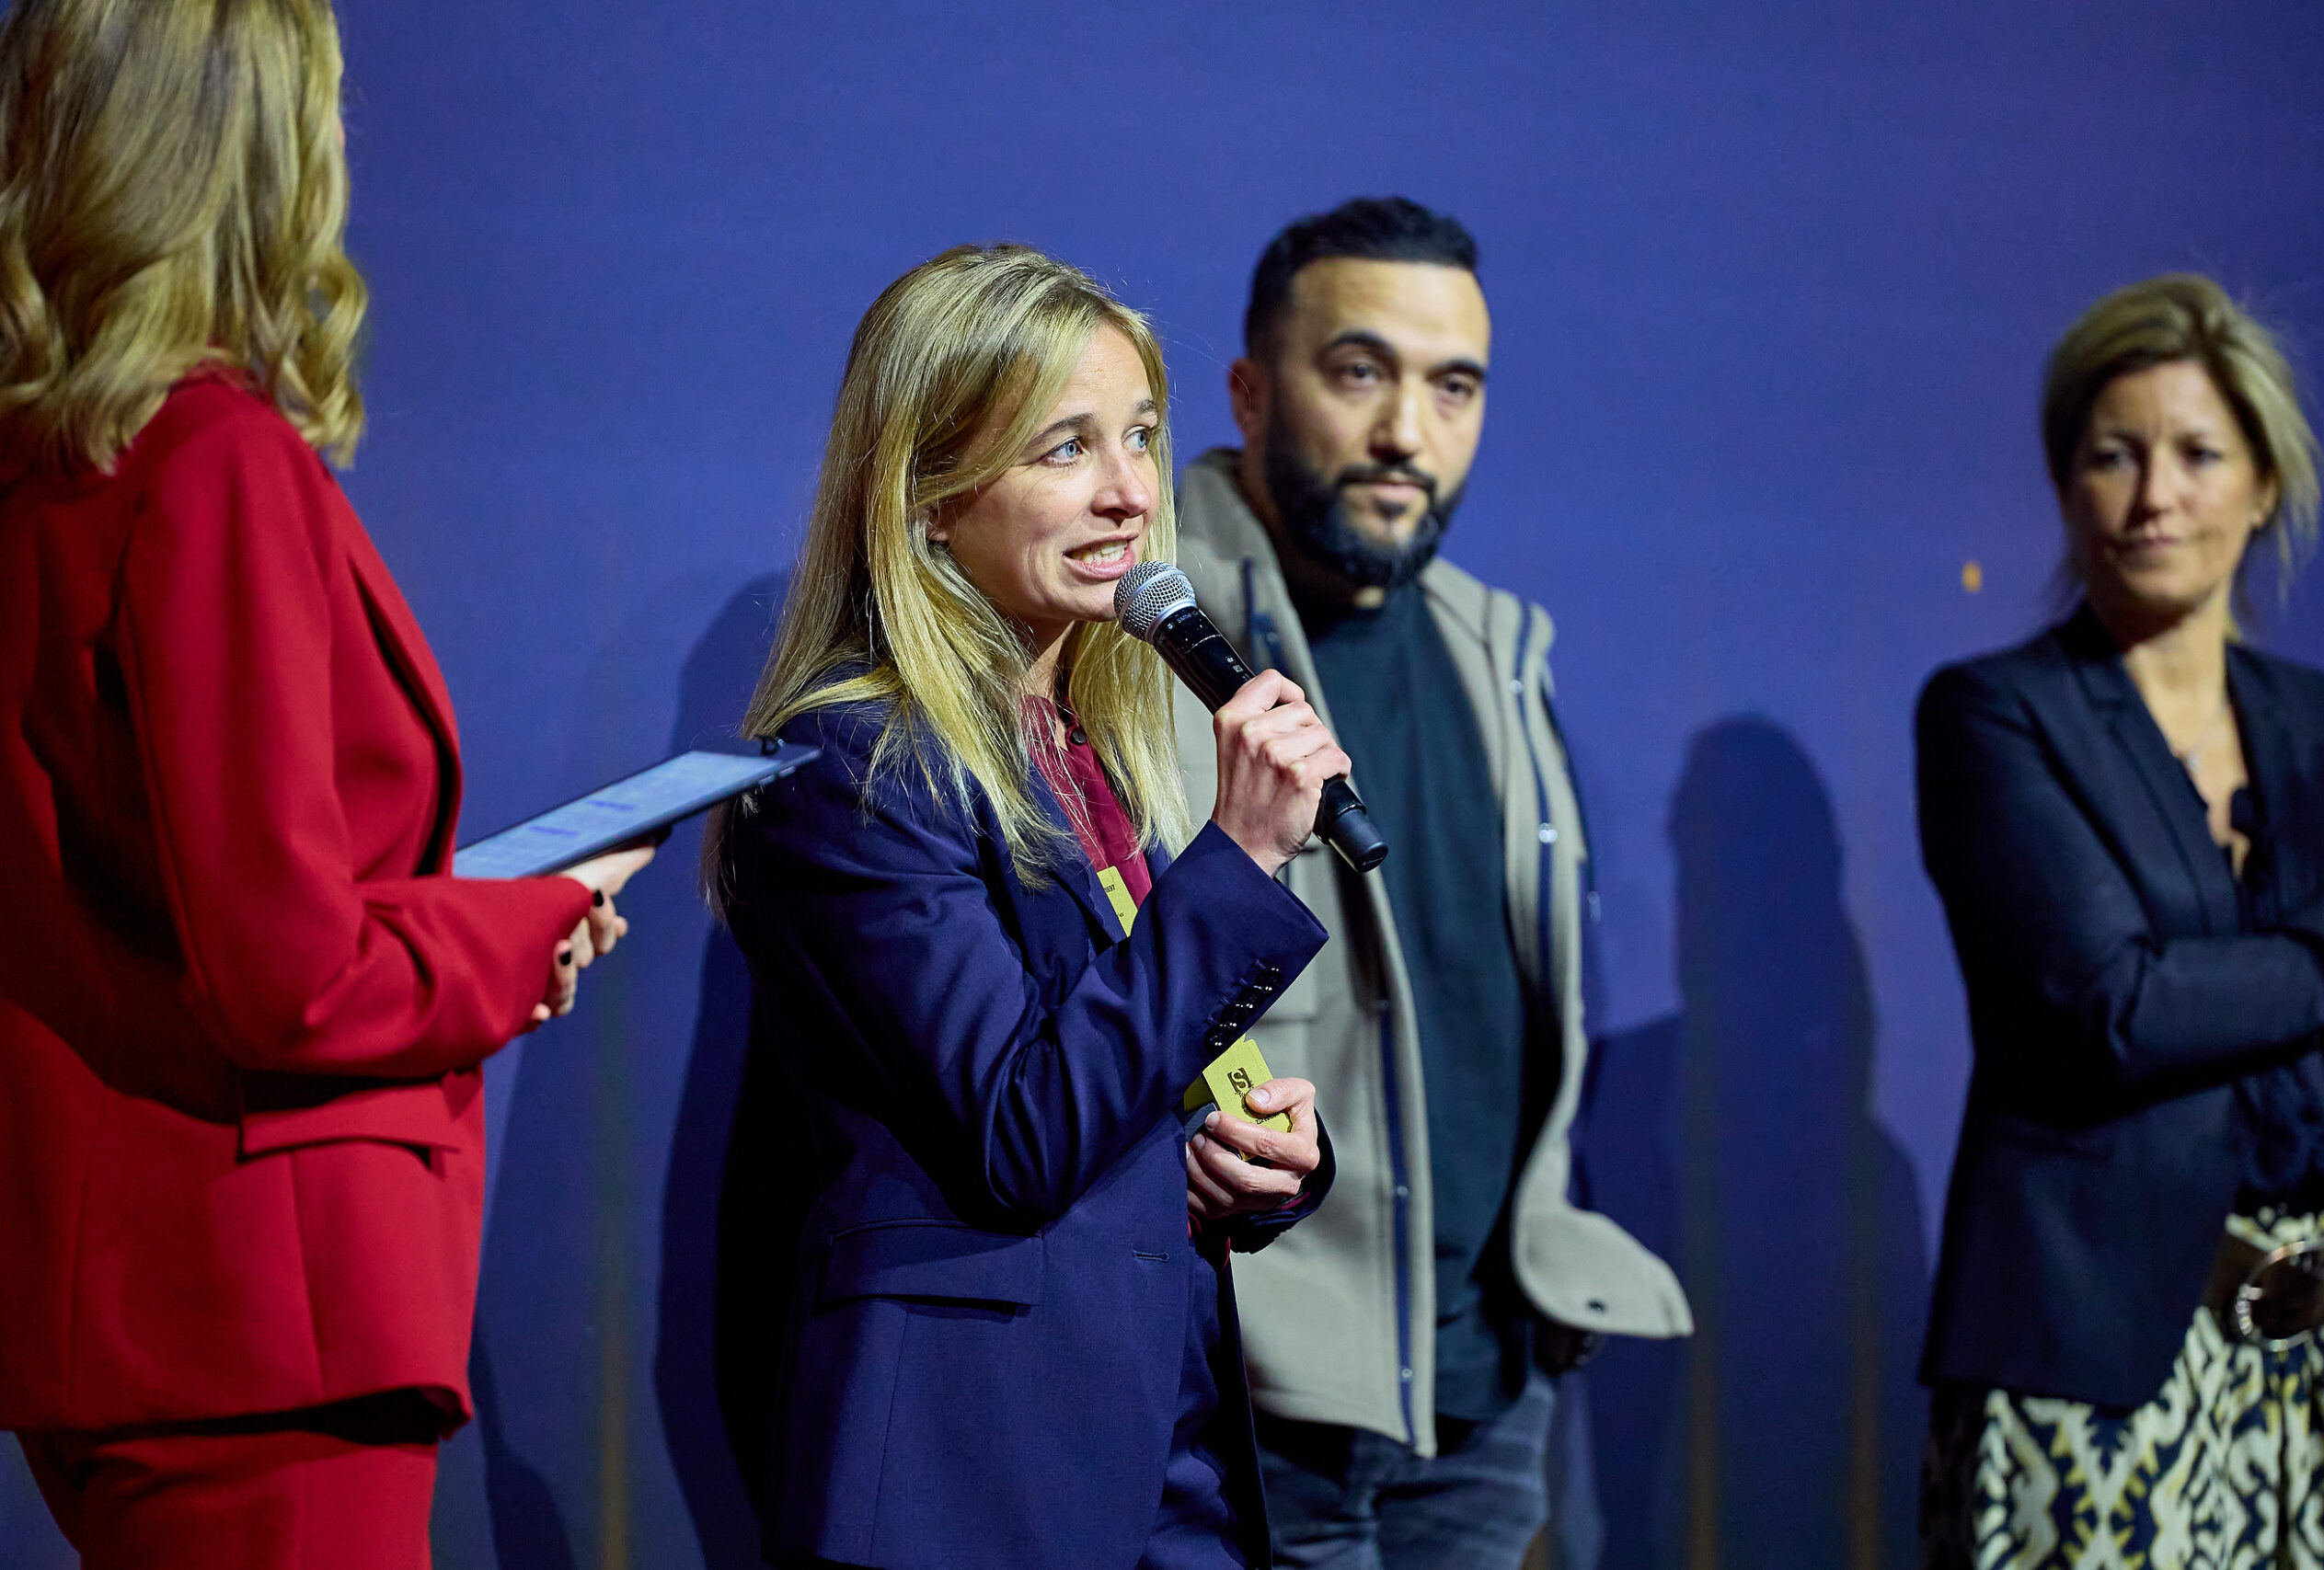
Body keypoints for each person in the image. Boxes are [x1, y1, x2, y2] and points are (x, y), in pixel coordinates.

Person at [0, 3, 653, 1565]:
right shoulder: (208, 462)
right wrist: (527, 923)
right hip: (260, 1333)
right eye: (324, 108)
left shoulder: (46, 467)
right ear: (256, 144)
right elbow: (286, 975)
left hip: (125, 1311)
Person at [709, 243, 1345, 1570]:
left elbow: (1116, 1074)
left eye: (1141, 436)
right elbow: (1020, 1130)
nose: (1131, 493)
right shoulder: (850, 767)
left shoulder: (1087, 753)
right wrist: (1237, 858)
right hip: (971, 1484)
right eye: (1066, 448)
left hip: (1163, 1465)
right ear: (928, 496)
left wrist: (1239, 1151)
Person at [1168, 195, 1690, 1568]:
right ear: (1249, 392)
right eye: (1360, 372)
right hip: (1250, 1406)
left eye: (1454, 387)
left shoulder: (1496, 648)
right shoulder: (1137, 628)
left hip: (1485, 1402)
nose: (1409, 431)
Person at [1916, 273, 2324, 1565]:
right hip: (2089, 1358)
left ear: (2264, 485)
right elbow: (2111, 1011)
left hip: (2323, 1349)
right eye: (2114, 456)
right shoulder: (1998, 714)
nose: (2156, 495)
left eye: (2199, 455)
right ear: (2065, 485)